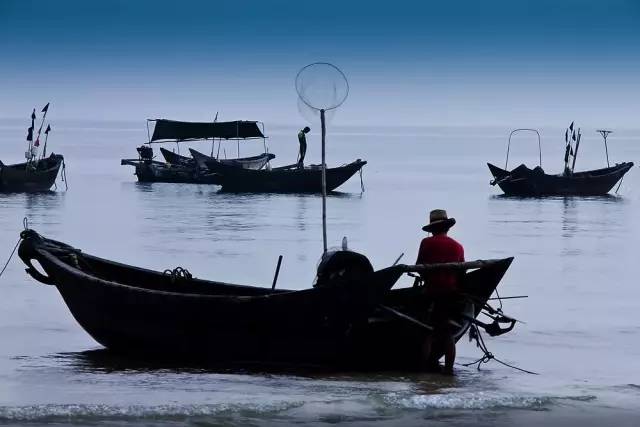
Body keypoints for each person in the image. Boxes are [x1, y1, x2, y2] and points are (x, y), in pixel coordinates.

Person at [415, 209, 464, 375]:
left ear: (432, 229)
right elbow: (461, 272)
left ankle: (422, 369)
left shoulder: (426, 243)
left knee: (427, 331)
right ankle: (449, 371)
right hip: (450, 294)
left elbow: (420, 266)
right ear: (447, 228)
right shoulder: (458, 246)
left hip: (431, 292)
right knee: (447, 333)